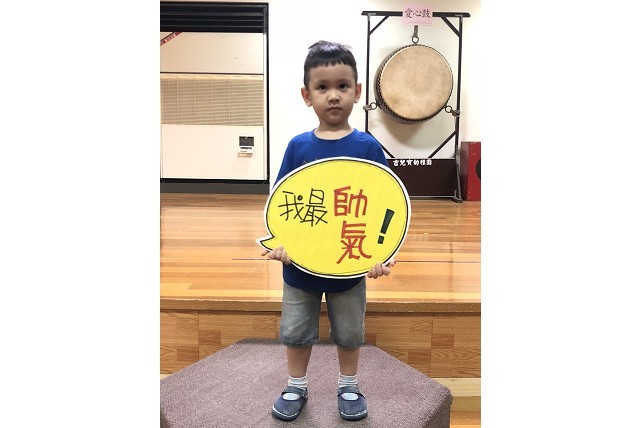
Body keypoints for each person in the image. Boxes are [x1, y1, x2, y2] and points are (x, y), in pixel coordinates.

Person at [262, 40, 395, 422]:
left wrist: (383, 253)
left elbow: (387, 207)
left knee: (350, 332)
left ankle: (349, 385)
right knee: (295, 330)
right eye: (322, 87)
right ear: (307, 95)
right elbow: (283, 202)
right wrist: (279, 243)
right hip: (301, 263)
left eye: (342, 86)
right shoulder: (298, 147)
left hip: (349, 262)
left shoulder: (368, 148)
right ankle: (296, 385)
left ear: (357, 91)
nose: (333, 95)